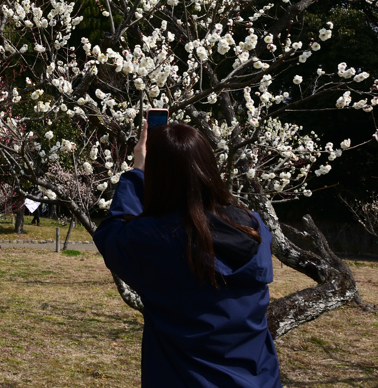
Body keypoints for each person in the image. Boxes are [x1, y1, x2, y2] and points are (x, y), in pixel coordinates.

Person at [93, 121, 282, 387]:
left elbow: (111, 235)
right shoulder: (253, 227)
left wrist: (138, 172)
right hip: (258, 378)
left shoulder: (158, 239)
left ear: (158, 177)